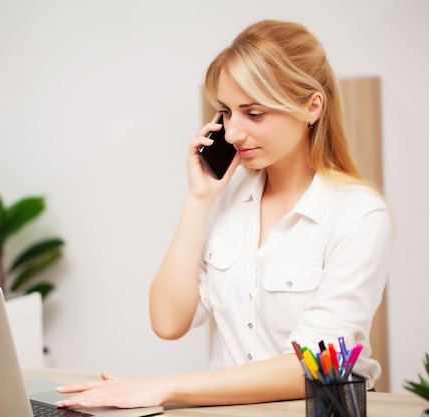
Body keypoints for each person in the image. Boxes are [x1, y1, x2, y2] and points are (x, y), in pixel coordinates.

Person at [56, 19, 392, 408]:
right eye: (226, 113)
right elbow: (167, 322)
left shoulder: (359, 215)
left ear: (311, 105)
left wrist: (165, 387)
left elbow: (315, 366)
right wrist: (198, 201)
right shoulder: (227, 200)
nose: (231, 133)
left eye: (254, 114)